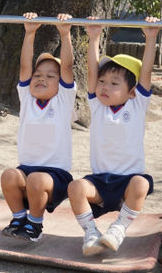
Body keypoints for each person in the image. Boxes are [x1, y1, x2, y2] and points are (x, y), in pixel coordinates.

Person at [68, 16, 160, 256]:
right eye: (102, 82)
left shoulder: (137, 105)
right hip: (100, 183)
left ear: (131, 92)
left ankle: (119, 228)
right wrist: (94, 36)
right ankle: (91, 233)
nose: (105, 87)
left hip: (127, 184)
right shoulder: (97, 106)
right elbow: (91, 70)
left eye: (114, 83)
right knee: (76, 186)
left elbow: (147, 71)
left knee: (142, 182)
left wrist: (151, 36)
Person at [0, 12, 76, 242]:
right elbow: (25, 66)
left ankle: (35, 224)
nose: (41, 78)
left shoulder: (62, 101)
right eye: (38, 74)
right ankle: (19, 218)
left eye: (50, 76)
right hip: (27, 168)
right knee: (9, 176)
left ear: (60, 83)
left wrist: (65, 33)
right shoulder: (27, 98)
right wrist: (29, 32)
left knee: (36, 180)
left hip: (56, 176)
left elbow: (68, 68)